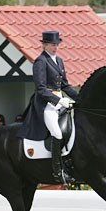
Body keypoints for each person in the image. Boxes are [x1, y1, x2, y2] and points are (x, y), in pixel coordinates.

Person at [18, 31, 78, 183]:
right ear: (44, 45)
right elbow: (41, 89)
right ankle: (57, 171)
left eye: (57, 44)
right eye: (52, 44)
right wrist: (58, 101)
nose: (55, 47)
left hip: (59, 101)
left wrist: (80, 98)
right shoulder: (40, 61)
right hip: (46, 105)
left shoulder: (59, 60)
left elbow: (65, 85)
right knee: (57, 134)